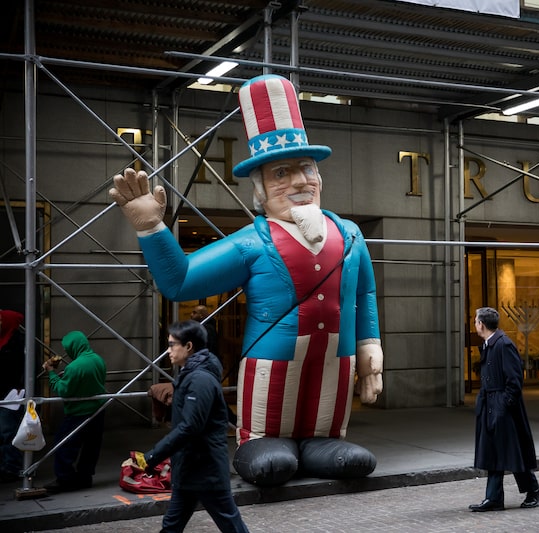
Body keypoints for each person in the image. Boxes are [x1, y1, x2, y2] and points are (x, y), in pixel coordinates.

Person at [109, 74, 384, 486]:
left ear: (320, 176)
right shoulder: (252, 242)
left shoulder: (350, 234)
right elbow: (180, 282)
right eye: (281, 173)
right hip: (270, 359)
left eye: (306, 168)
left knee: (325, 411)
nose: (298, 181)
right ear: (260, 190)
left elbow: (364, 293)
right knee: (273, 423)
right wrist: (151, 227)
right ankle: (259, 441)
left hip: (337, 361)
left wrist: (369, 345)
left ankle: (323, 441)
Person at [143, 320, 249, 533]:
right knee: (171, 526)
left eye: (173, 345)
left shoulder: (199, 380)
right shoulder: (191, 374)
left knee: (231, 525)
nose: (168, 350)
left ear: (189, 346)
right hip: (191, 469)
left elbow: (190, 426)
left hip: (205, 471)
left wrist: (153, 456)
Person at [470, 307, 539, 512]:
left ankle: (533, 489)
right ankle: (493, 498)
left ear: (481, 324)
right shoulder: (489, 344)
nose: (475, 323)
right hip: (491, 405)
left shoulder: (503, 344)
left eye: (475, 321)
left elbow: (514, 380)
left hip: (503, 408)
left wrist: (503, 405)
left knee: (511, 452)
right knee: (496, 452)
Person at [42, 331, 107, 493]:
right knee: (91, 446)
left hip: (79, 412)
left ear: (73, 347)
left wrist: (51, 373)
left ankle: (65, 478)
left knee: (63, 443)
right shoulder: (98, 360)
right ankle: (85, 477)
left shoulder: (74, 367)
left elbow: (63, 390)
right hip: (98, 409)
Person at [0, 310, 25, 482]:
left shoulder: (18, 342)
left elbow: (22, 367)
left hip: (11, 394)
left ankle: (11, 467)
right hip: (5, 391)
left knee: (7, 431)